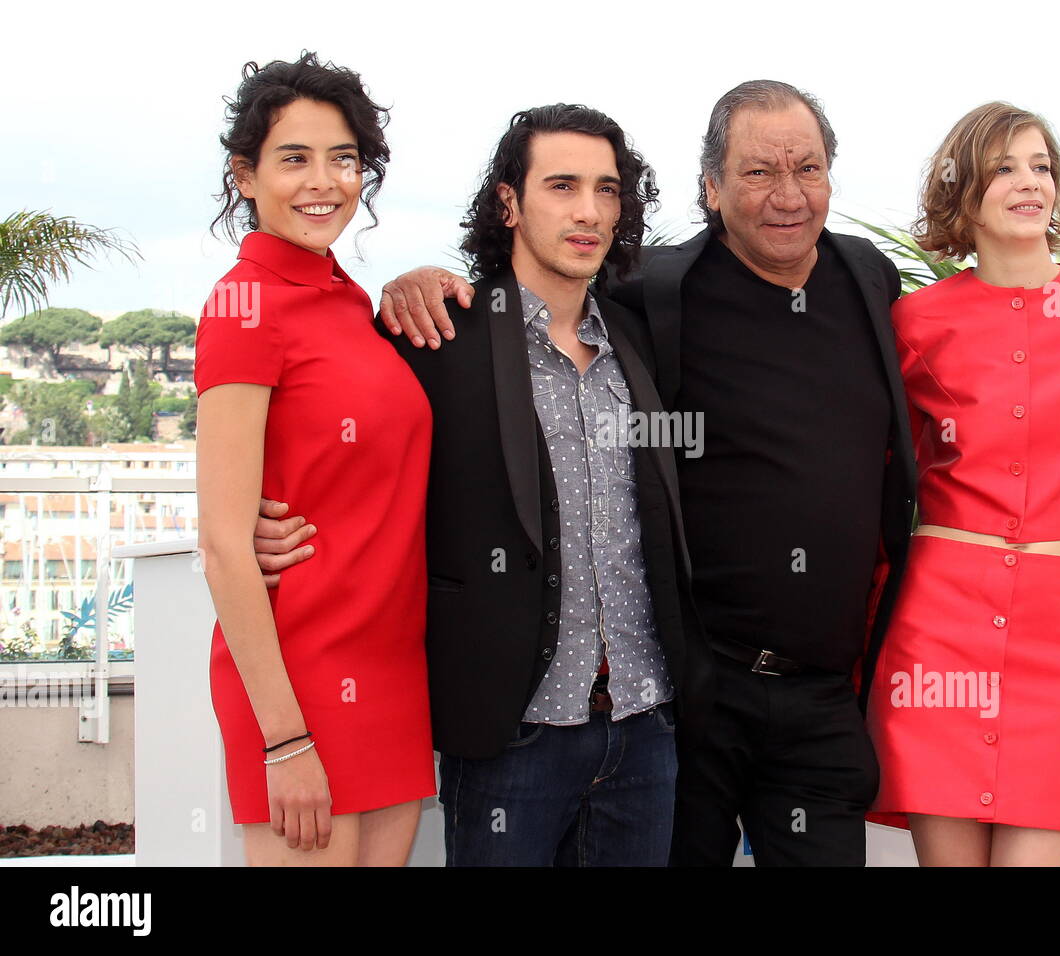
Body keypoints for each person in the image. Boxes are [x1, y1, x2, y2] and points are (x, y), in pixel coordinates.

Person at [374, 80, 918, 867]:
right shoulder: (656, 295)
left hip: (800, 700)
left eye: (809, 168)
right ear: (711, 187)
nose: (788, 196)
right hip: (685, 701)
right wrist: (414, 281)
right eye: (759, 172)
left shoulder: (866, 277)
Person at [258, 104, 711, 866]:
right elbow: (341, 445)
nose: (588, 211)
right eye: (562, 185)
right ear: (509, 201)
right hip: (513, 736)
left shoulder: (638, 339)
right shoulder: (437, 336)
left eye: (606, 189)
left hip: (645, 729)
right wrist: (254, 524)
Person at [864, 101, 1060, 866]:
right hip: (936, 635)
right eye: (1004, 167)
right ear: (961, 193)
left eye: (1042, 167)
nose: (1029, 182)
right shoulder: (911, 323)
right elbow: (872, 490)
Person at [195, 52, 436, 866]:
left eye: (344, 159)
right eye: (293, 158)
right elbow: (227, 542)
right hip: (297, 682)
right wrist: (285, 740)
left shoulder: (347, 300)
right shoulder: (242, 304)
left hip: (392, 666)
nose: (323, 181)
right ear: (245, 175)